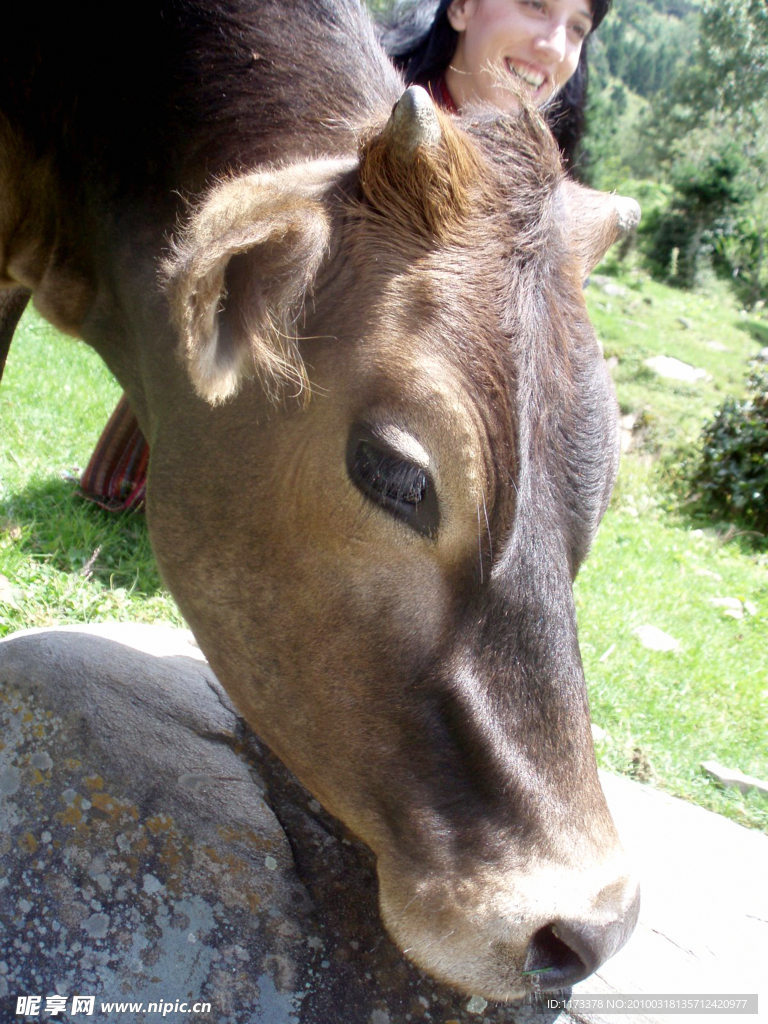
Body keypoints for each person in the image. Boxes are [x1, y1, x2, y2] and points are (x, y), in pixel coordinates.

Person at [80, 0, 611, 511]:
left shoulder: (540, 204)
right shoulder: (338, 114)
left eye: (576, 28)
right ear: (462, 7)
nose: (553, 45)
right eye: (535, 6)